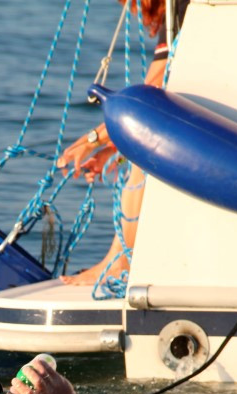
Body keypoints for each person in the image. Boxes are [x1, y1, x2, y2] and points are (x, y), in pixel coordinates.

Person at [57, 0, 189, 289]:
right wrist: (112, 150)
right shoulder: (174, 13)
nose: (127, 5)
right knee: (137, 155)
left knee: (142, 160)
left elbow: (152, 96)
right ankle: (116, 260)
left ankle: (121, 263)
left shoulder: (182, 5)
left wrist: (93, 139)